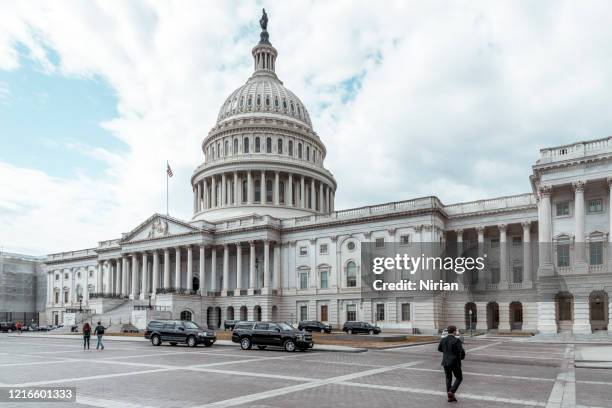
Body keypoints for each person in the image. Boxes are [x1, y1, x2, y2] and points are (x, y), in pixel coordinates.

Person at [438, 325, 466, 402]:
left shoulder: (443, 339)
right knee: (459, 378)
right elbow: (460, 351)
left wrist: (447, 353)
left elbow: (439, 349)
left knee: (448, 378)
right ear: (454, 331)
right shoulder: (457, 340)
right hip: (455, 362)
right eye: (456, 331)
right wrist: (462, 357)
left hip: (445, 362)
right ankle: (452, 391)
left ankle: (450, 397)